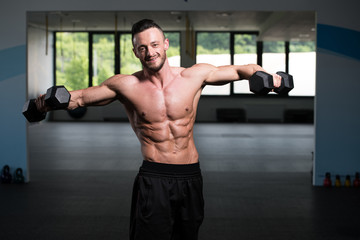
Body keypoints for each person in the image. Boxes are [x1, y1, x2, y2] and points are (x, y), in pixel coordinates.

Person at [36, 19, 281, 240]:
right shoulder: (126, 85)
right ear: (135, 52)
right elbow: (78, 99)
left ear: (165, 44)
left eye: (154, 45)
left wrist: (264, 74)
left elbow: (241, 70)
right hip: (155, 178)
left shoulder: (193, 76)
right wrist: (43, 103)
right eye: (142, 48)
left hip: (190, 176)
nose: (149, 52)